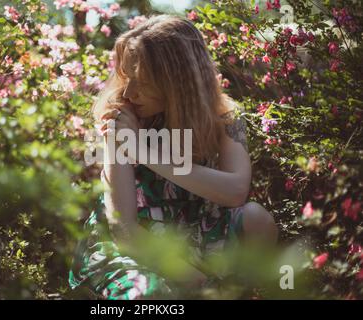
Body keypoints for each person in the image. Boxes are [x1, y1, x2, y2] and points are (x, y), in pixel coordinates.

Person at [69, 14, 278, 300]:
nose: (129, 92)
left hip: (192, 233)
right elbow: (123, 229)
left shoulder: (226, 118)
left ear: (177, 83)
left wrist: (143, 150)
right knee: (150, 296)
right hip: (133, 248)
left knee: (257, 220)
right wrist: (196, 280)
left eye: (140, 82)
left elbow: (236, 192)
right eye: (126, 79)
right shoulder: (122, 119)